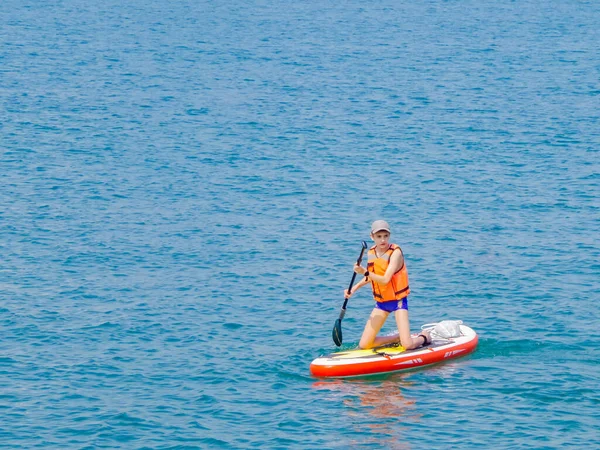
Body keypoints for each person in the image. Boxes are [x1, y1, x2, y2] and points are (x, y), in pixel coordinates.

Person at [344, 220, 431, 350]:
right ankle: (397, 337)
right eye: (379, 236)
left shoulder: (395, 253)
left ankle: (424, 337)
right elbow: (371, 277)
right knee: (364, 345)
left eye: (386, 236)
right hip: (382, 302)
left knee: (408, 345)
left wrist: (364, 271)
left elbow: (385, 279)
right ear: (372, 237)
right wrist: (354, 288)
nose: (383, 240)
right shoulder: (371, 253)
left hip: (398, 301)